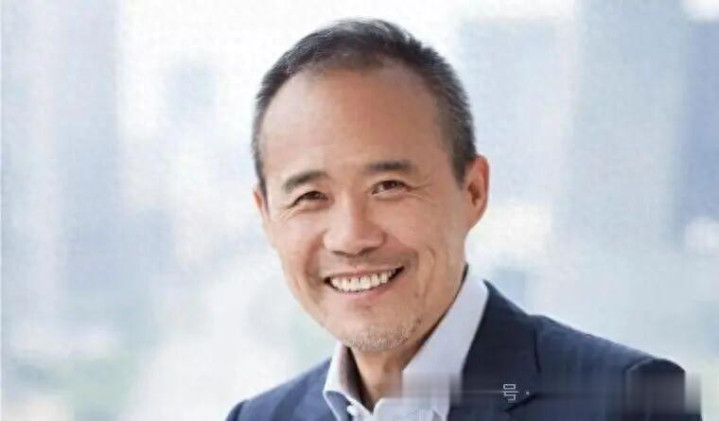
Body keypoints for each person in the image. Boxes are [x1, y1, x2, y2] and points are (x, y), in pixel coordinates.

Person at [226, 19, 699, 421]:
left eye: (388, 186)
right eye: (310, 196)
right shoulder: (258, 418)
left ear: (473, 192)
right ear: (266, 217)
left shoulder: (629, 400)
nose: (352, 237)